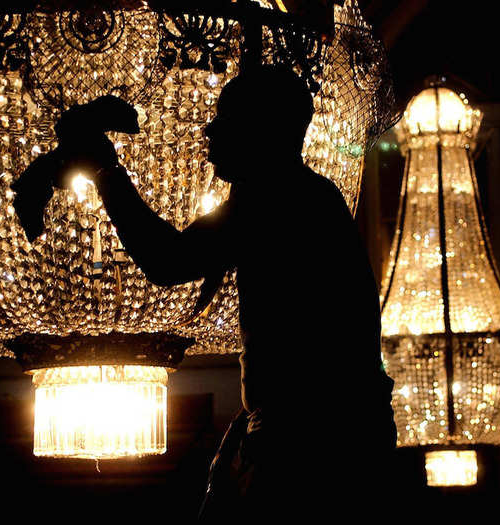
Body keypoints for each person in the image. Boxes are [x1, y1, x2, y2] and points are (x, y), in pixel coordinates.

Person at [59, 65, 396, 520]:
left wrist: (105, 169)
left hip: (311, 448)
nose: (209, 130)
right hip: (326, 436)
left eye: (226, 119)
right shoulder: (296, 195)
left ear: (260, 130)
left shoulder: (277, 199)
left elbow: (168, 259)